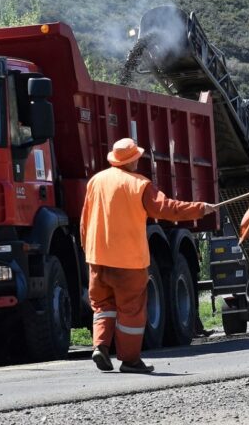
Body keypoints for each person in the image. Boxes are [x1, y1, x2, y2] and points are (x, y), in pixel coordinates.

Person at [80, 138, 217, 373]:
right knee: (131, 311)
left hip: (98, 259)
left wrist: (89, 250)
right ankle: (130, 360)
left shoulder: (96, 181)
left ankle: (100, 347)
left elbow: (85, 221)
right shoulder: (140, 185)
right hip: (128, 261)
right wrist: (200, 208)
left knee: (103, 306)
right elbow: (166, 209)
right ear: (133, 160)